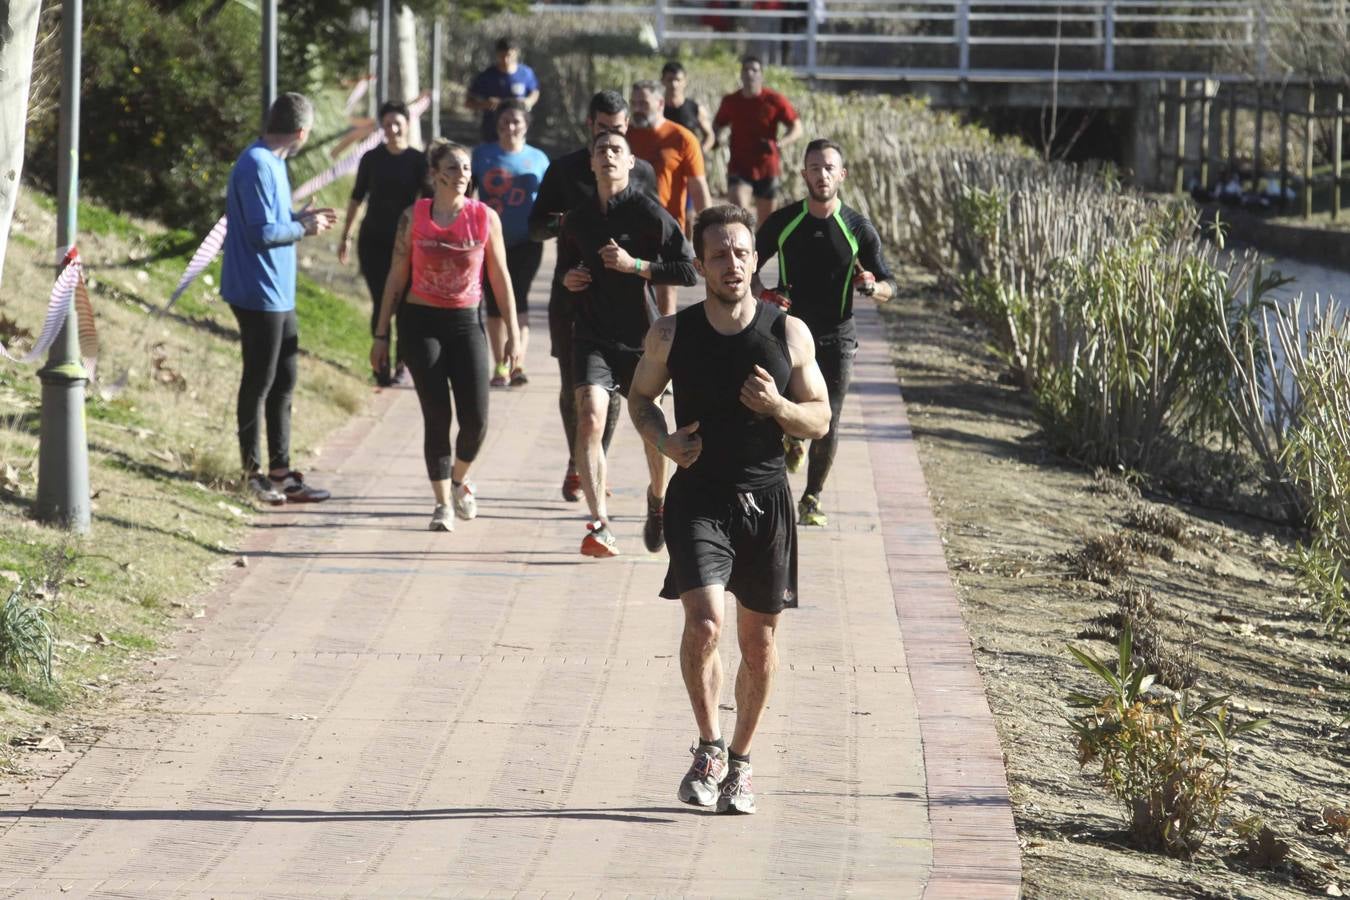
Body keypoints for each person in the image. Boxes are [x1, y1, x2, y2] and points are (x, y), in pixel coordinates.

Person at [627, 203, 830, 814]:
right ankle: (709, 746)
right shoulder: (671, 333)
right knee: (706, 625)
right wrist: (664, 441)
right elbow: (639, 398)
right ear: (700, 265)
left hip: (767, 499)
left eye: (742, 252)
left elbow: (818, 418)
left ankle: (740, 763)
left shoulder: (787, 333)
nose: (733, 263)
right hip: (700, 496)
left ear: (754, 260)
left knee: (759, 644)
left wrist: (778, 409)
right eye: (719, 255)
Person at [369, 139, 522, 532]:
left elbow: (500, 278)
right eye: (453, 168)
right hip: (421, 324)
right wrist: (381, 333)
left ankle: (458, 479)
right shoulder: (413, 217)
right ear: (435, 175)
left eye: (467, 168)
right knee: (437, 415)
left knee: (477, 420)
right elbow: (396, 277)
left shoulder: (485, 217)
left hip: (466, 322)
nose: (462, 176)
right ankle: (441, 505)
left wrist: (514, 333)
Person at [559, 130, 696, 557]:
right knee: (589, 421)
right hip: (591, 334)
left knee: (647, 427)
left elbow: (688, 270)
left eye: (617, 150)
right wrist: (569, 278)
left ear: (631, 161)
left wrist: (636, 265)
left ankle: (657, 499)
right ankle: (600, 523)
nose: (609, 157)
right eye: (601, 151)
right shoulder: (578, 217)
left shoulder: (648, 212)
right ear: (592, 163)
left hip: (640, 338)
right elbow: (565, 268)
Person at [752, 139, 895, 527]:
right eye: (814, 167)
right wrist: (763, 296)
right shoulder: (784, 222)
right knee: (776, 410)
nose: (822, 174)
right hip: (787, 332)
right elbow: (746, 266)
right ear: (804, 175)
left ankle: (811, 498)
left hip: (837, 335)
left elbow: (889, 285)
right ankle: (787, 452)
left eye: (829, 167)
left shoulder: (857, 228)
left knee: (827, 417)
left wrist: (871, 287)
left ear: (841, 175)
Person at [527, 90, 659, 504]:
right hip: (573, 293)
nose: (612, 141)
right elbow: (534, 227)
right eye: (604, 130)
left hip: (624, 301)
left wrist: (643, 269)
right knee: (574, 386)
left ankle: (594, 460)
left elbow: (657, 237)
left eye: (620, 131)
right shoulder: (564, 170)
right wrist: (565, 224)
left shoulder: (642, 172)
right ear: (590, 125)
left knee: (616, 387)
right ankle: (577, 460)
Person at [222, 92, 336, 506]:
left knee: (284, 380)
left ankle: (282, 472)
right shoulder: (255, 164)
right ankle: (251, 474)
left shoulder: (274, 163)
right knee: (259, 381)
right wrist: (303, 228)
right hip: (257, 291)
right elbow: (259, 233)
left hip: (280, 293)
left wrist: (297, 218)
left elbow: (274, 221)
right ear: (302, 132)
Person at [338, 100, 428, 387]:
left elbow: (426, 201)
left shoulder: (417, 160)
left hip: (405, 243)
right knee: (381, 301)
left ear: (407, 124)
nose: (392, 128)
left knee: (403, 304)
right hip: (373, 240)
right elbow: (357, 196)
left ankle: (402, 362)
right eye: (387, 123)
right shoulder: (371, 158)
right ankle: (381, 365)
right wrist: (346, 235)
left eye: (397, 123)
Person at [471, 99, 548, 387]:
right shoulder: (482, 155)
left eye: (516, 121)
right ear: (496, 125)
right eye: (504, 122)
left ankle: (518, 364)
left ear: (526, 124)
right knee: (493, 304)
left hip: (527, 241)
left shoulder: (539, 159)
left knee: (519, 299)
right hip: (488, 241)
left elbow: (551, 200)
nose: (510, 127)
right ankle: (500, 366)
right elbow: (466, 195)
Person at [627, 79, 711, 316]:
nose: (638, 108)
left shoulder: (682, 138)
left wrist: (710, 228)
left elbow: (698, 186)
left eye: (643, 102)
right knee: (633, 292)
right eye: (634, 103)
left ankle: (665, 348)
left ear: (660, 102)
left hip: (668, 228)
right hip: (629, 226)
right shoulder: (624, 137)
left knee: (666, 294)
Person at [712, 56, 803, 225]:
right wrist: (714, 139)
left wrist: (779, 144)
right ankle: (744, 247)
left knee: (766, 224)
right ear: (740, 74)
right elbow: (717, 124)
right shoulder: (731, 101)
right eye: (746, 69)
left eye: (754, 70)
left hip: (767, 166)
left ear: (761, 75)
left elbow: (797, 128)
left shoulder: (774, 100)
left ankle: (760, 250)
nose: (749, 74)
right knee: (739, 214)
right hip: (739, 166)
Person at [465, 36, 540, 145]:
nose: (505, 60)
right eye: (501, 56)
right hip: (492, 135)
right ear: (497, 54)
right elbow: (468, 103)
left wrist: (529, 101)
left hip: (518, 134)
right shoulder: (487, 76)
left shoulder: (526, 73)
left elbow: (535, 92)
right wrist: (485, 104)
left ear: (516, 53)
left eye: (508, 55)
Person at [661, 61, 714, 154]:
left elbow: (710, 136)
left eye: (678, 80)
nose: (674, 84)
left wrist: (699, 153)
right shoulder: (657, 109)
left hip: (688, 161)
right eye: (670, 80)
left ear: (685, 81)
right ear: (663, 81)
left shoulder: (695, 108)